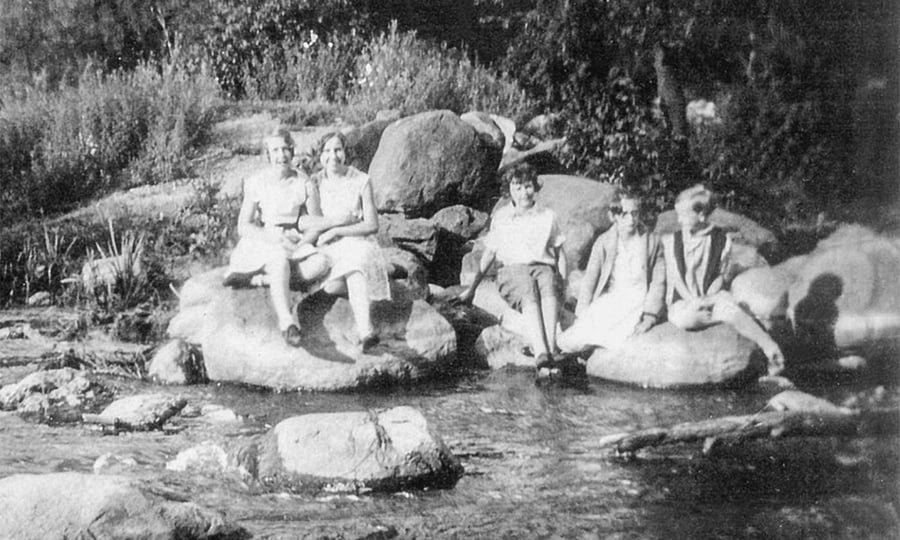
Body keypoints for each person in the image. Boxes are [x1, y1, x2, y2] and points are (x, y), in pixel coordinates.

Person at [661, 184, 785, 376]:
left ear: (701, 215)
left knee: (733, 310)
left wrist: (707, 299)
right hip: (683, 299)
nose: (679, 220)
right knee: (685, 319)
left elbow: (719, 276)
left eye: (683, 215)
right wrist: (694, 302)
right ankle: (706, 317)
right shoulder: (672, 241)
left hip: (711, 296)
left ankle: (770, 347)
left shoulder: (720, 239)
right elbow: (676, 278)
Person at [223, 127, 330, 347]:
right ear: (268, 155)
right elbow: (244, 225)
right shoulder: (257, 182)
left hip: (294, 239)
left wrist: (301, 242)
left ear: (292, 151)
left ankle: (260, 279)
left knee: (321, 263)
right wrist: (270, 238)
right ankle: (287, 322)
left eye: (285, 149)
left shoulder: (304, 183)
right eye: (276, 150)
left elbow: (316, 224)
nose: (281, 155)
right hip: (266, 238)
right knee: (279, 260)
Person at [456, 163, 567, 374]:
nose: (524, 193)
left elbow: (560, 253)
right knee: (527, 286)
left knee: (548, 282)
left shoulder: (547, 215)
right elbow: (489, 254)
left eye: (528, 186)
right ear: (510, 191)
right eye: (518, 187)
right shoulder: (502, 217)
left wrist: (564, 282)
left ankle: (551, 347)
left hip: (542, 267)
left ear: (535, 187)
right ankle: (541, 353)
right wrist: (471, 289)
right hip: (513, 271)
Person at [298, 131, 390, 352]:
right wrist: (332, 225)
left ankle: (366, 331)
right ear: (320, 155)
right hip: (330, 246)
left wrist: (338, 230)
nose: (333, 156)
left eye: (338, 150)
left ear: (346, 153)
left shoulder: (361, 180)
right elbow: (305, 221)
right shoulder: (314, 182)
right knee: (332, 286)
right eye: (327, 151)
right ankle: (386, 273)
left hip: (358, 241)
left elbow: (371, 225)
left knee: (354, 267)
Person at [558, 188, 665, 352]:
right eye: (624, 214)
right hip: (613, 296)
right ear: (614, 216)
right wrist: (581, 313)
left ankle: (589, 352)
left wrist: (650, 315)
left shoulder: (652, 242)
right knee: (577, 335)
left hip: (639, 298)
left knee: (615, 336)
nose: (630, 219)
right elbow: (590, 281)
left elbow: (659, 282)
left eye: (634, 213)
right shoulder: (604, 242)